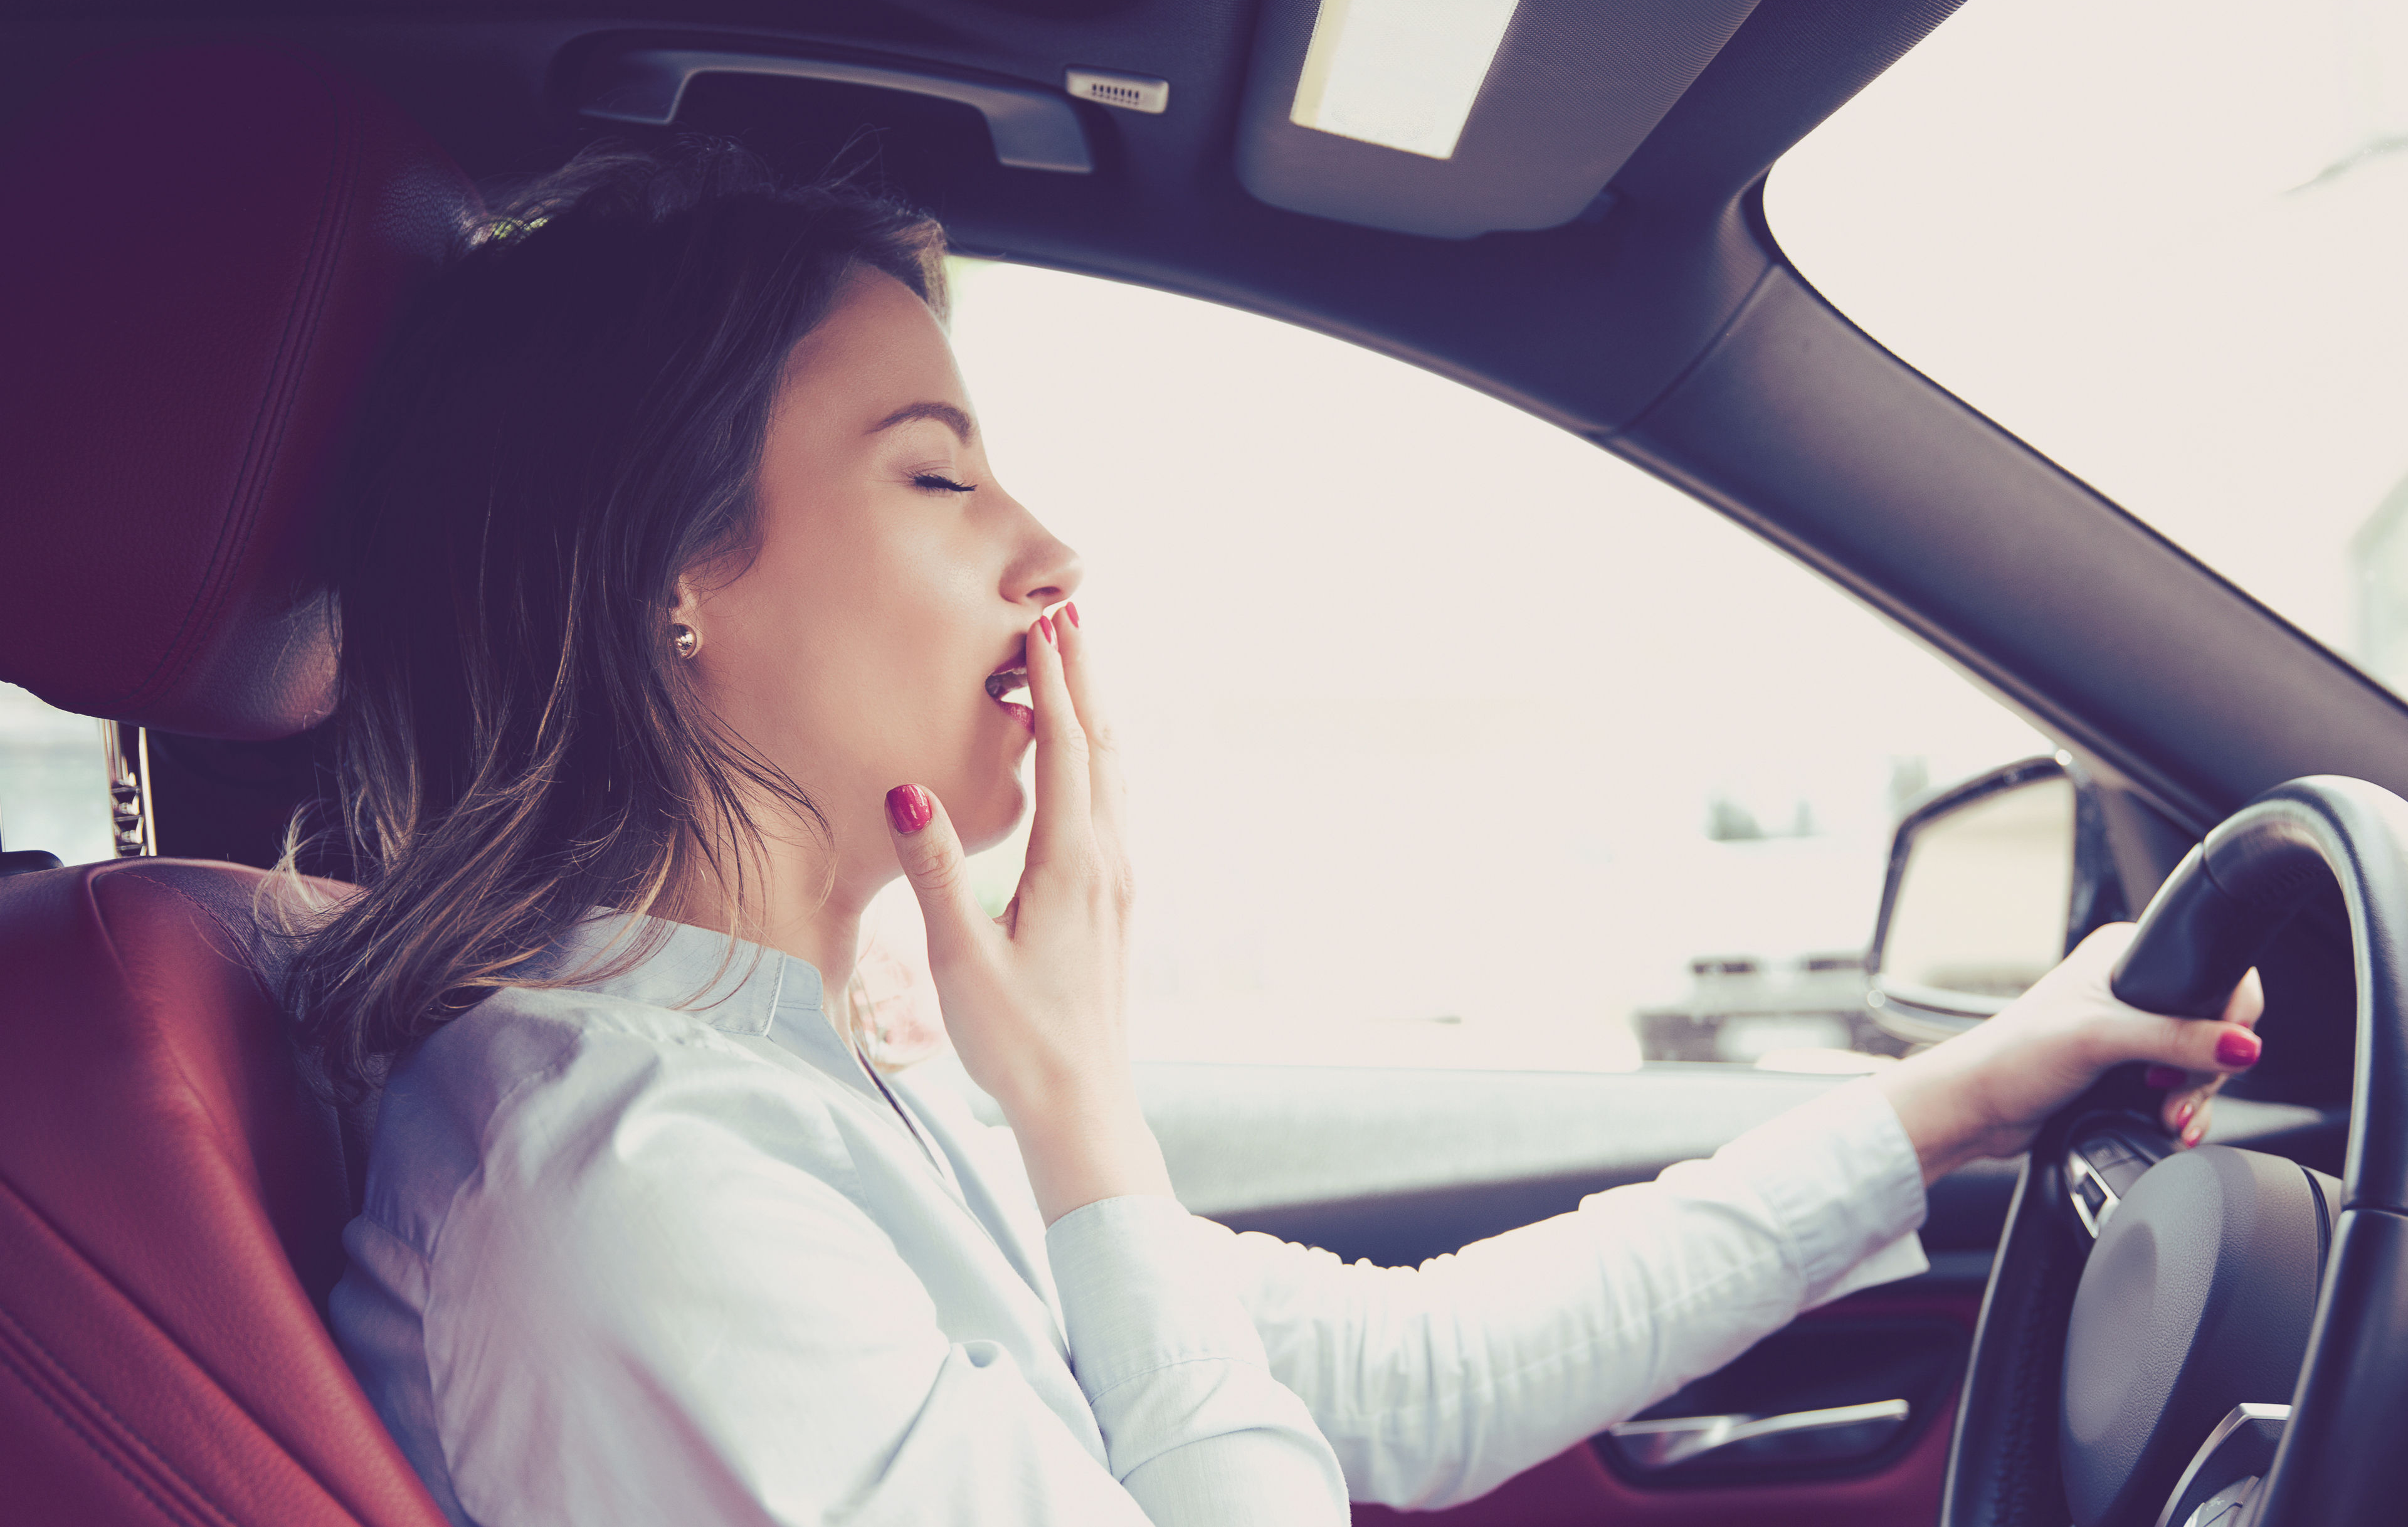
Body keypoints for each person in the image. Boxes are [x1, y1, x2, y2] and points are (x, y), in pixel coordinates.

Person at [290, 140, 2266, 1526]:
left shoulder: (779, 1086)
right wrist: (1083, 1122)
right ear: (667, 586)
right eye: (935, 474)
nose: (1051, 553)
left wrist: (1952, 1102)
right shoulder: (631, 1193)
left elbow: (1411, 1372)